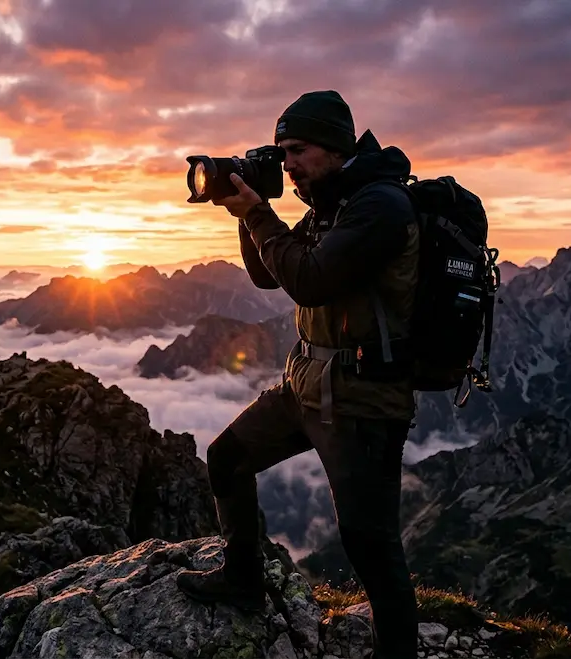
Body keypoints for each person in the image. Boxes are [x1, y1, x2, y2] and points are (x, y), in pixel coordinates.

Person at [176, 90, 420, 659]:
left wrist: (259, 213)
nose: (288, 164)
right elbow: (269, 276)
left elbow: (309, 280)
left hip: (363, 399)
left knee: (371, 546)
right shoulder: (332, 201)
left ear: (335, 147)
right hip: (308, 384)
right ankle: (242, 579)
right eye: (282, 152)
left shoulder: (378, 206)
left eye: (298, 150)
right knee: (227, 458)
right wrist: (250, 211)